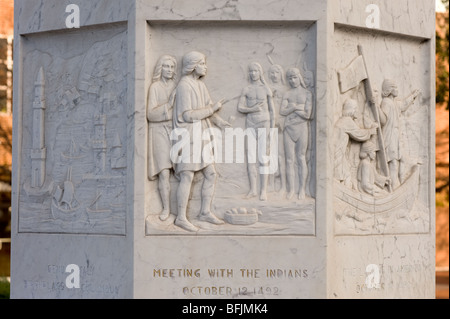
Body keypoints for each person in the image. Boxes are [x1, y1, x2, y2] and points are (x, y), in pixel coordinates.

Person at [172, 51, 229, 232]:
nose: (206, 66)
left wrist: (221, 123)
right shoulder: (184, 86)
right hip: (188, 136)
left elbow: (208, 110)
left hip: (201, 136)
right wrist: (212, 109)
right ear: (193, 65)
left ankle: (204, 212)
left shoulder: (200, 86)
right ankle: (181, 217)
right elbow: (188, 115)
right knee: (187, 175)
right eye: (202, 63)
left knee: (211, 174)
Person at [237, 62, 275, 201]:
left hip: (264, 123)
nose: (253, 73)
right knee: (251, 158)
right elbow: (240, 107)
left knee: (263, 158)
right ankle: (253, 189)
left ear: (260, 72)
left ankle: (263, 190)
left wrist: (272, 130)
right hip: (251, 123)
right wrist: (252, 109)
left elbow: (272, 111)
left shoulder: (266, 89)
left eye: (255, 71)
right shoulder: (246, 89)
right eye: (251, 71)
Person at [147, 55, 177, 221]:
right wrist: (169, 106)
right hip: (159, 132)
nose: (169, 70)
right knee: (164, 172)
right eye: (166, 67)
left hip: (176, 132)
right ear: (160, 68)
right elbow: (150, 114)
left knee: (183, 171)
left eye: (172, 67)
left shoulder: (177, 86)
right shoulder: (155, 87)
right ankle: (166, 208)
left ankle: (182, 213)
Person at [378, 79, 420, 189]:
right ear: (389, 90)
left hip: (395, 136)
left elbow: (403, 105)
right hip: (390, 136)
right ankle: (393, 187)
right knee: (393, 163)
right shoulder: (386, 102)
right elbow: (383, 120)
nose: (397, 90)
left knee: (400, 161)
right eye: (395, 87)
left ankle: (398, 184)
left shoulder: (394, 103)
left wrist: (413, 96)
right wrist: (377, 108)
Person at [280, 68, 313, 200]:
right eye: (290, 78)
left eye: (294, 77)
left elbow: (307, 114)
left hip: (302, 128)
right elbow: (282, 111)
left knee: (301, 158)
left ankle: (302, 190)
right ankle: (291, 190)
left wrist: (293, 108)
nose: (292, 80)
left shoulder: (307, 94)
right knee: (289, 160)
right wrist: (296, 107)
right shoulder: (287, 94)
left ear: (299, 77)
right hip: (288, 128)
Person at [334, 98, 378, 188]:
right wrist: (371, 131)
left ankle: (344, 192)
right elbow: (359, 134)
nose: (357, 111)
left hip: (340, 153)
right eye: (356, 108)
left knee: (345, 173)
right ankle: (343, 193)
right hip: (338, 153)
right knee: (344, 174)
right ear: (351, 110)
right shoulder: (347, 121)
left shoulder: (343, 120)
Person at [267, 64, 287, 194]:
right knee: (270, 155)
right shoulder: (267, 89)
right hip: (269, 124)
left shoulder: (286, 90)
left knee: (281, 156)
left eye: (277, 73)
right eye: (272, 73)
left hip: (283, 125)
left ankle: (284, 186)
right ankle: (271, 184)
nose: (274, 75)